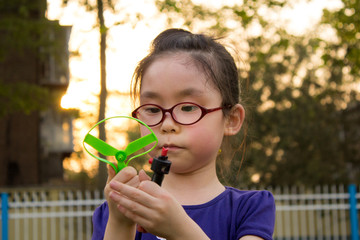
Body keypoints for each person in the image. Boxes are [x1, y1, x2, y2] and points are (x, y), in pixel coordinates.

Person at [92, 28, 275, 240]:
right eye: (152, 109)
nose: (167, 124)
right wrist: (121, 223)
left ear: (232, 119)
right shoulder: (112, 212)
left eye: (187, 108)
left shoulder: (250, 209)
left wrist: (180, 230)